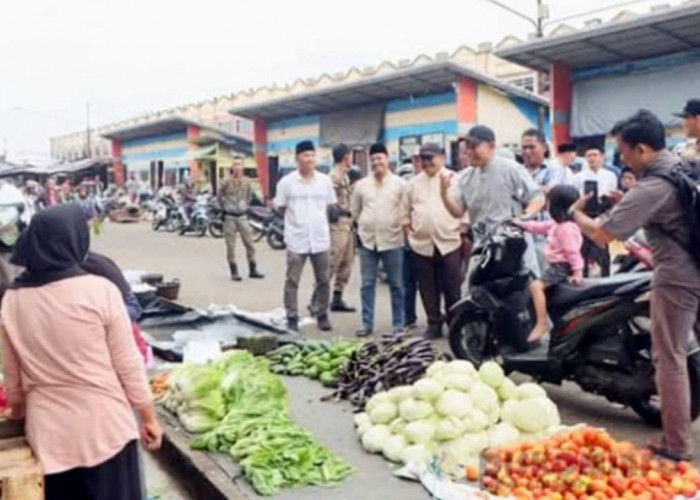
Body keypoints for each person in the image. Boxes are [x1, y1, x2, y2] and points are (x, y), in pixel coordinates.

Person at [1, 204, 162, 499]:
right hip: (106, 428)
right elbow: (128, 364)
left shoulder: (12, 299)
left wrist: (19, 413)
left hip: (50, 436)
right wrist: (149, 417)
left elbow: (12, 377)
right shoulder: (100, 290)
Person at [570, 110, 700, 461]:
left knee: (669, 357)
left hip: (678, 276)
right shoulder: (680, 165)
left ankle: (676, 444)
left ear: (642, 149)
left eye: (624, 151)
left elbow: (602, 233)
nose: (621, 159)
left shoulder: (652, 186)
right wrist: (624, 204)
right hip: (696, 265)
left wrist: (574, 214)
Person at [440, 125, 545, 294]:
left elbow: (537, 197)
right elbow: (457, 211)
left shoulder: (511, 169)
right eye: (468, 148)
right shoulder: (465, 177)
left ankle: (541, 321)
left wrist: (524, 218)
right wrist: (444, 194)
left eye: (474, 147)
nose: (469, 152)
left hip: (514, 244)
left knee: (526, 291)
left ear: (491, 146)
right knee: (473, 292)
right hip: (483, 246)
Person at [274, 141, 336, 332]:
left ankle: (322, 314)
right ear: (297, 158)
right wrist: (295, 222)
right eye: (305, 155)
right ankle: (292, 316)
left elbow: (330, 206)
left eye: (311, 155)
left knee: (323, 280)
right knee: (292, 280)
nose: (309, 159)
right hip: (296, 239)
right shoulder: (286, 183)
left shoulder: (325, 181)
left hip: (320, 239)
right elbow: (280, 207)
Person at [403, 143, 463, 339]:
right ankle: (433, 323)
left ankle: (456, 323)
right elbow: (404, 212)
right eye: (424, 158)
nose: (427, 162)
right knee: (427, 286)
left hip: (450, 241)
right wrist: (408, 231)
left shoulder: (456, 179)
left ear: (442, 158)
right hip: (421, 243)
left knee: (452, 285)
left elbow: (466, 207)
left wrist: (464, 227)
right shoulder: (413, 183)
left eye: (431, 158)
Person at [511, 185, 584, 342]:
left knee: (535, 286)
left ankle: (542, 323)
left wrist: (578, 272)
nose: (546, 204)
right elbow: (540, 227)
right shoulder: (557, 224)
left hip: (562, 267)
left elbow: (573, 253)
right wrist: (520, 223)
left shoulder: (565, 228)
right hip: (556, 265)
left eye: (548, 200)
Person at [351, 143, 406, 337]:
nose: (376, 162)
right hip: (367, 242)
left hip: (393, 241)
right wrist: (364, 226)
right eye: (373, 159)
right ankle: (367, 324)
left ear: (387, 159)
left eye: (380, 158)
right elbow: (355, 211)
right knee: (367, 284)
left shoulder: (400, 184)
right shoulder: (361, 185)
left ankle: (399, 325)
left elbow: (405, 210)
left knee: (397, 285)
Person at [573, 146, 618, 277]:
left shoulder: (610, 175)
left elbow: (612, 195)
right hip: (584, 214)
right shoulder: (578, 177)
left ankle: (605, 274)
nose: (592, 158)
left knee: (603, 247)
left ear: (602, 156)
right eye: (589, 155)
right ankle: (583, 274)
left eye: (595, 155)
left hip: (602, 214)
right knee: (583, 248)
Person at [321, 144, 355, 313]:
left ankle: (337, 298)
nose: (352, 158)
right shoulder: (332, 177)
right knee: (332, 262)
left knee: (347, 262)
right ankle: (318, 299)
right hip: (337, 224)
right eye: (350, 155)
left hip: (348, 223)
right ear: (345, 157)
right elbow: (328, 202)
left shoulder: (345, 176)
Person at [218, 157, 264, 281]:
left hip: (242, 216)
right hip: (229, 217)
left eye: (239, 164)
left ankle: (253, 269)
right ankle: (234, 271)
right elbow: (219, 196)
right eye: (235, 164)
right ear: (232, 167)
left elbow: (249, 196)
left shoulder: (247, 181)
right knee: (231, 245)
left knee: (250, 243)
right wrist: (225, 208)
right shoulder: (225, 181)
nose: (237, 167)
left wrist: (245, 207)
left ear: (243, 167)